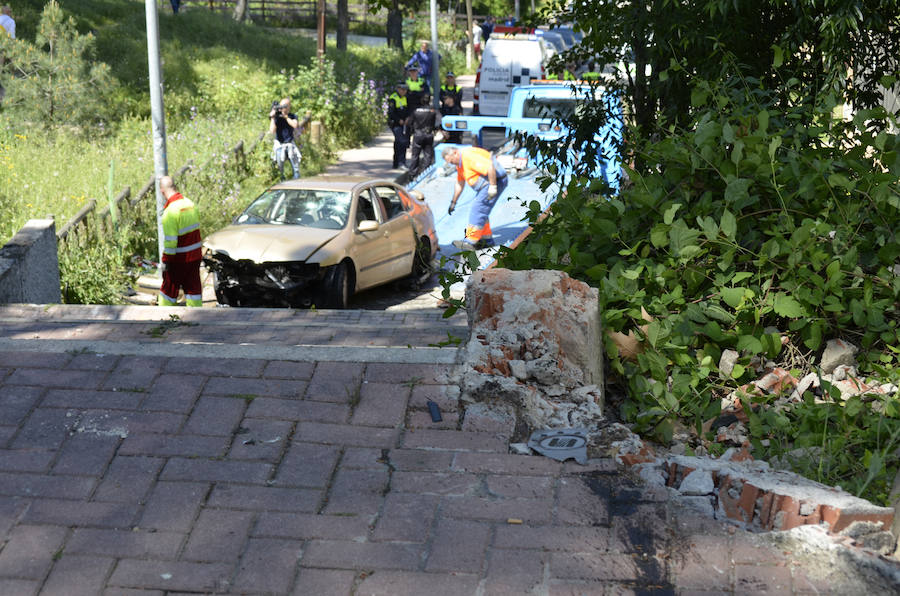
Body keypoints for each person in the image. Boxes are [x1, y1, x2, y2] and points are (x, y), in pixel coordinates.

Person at [443, 145, 509, 250]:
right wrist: (453, 202)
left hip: (494, 181)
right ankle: (486, 240)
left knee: (477, 209)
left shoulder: (468, 156)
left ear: (455, 153)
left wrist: (493, 186)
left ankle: (470, 241)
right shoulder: (459, 163)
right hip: (485, 185)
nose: (452, 164)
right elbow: (460, 183)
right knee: (482, 210)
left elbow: (489, 167)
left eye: (451, 161)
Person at [158, 176, 202, 307]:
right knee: (193, 289)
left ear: (162, 191)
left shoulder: (170, 212)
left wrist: (166, 260)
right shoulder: (190, 204)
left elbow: (171, 243)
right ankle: (196, 315)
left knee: (168, 290)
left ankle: (163, 317)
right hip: (195, 256)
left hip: (179, 259)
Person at [269, 97, 304, 180]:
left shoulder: (292, 116)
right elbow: (272, 131)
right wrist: (273, 118)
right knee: (280, 168)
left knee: (296, 169)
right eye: (281, 106)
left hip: (290, 144)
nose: (282, 108)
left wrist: (286, 117)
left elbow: (295, 125)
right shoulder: (277, 117)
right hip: (279, 144)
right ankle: (282, 183)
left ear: (289, 107)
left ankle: (296, 182)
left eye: (285, 106)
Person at [408, 93, 440, 177]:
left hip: (418, 134)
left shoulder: (415, 110)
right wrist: (435, 129)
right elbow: (439, 121)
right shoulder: (432, 110)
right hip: (428, 134)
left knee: (415, 155)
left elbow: (410, 122)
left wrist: (411, 131)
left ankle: (412, 174)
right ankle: (425, 173)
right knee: (428, 155)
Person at [387, 81, 411, 169]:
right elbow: (391, 113)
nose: (404, 91)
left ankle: (396, 163)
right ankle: (401, 163)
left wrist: (408, 117)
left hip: (404, 123)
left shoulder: (406, 97)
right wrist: (399, 120)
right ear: (398, 89)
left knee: (400, 142)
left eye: (405, 89)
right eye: (402, 89)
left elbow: (408, 109)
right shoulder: (393, 98)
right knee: (401, 141)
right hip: (395, 123)